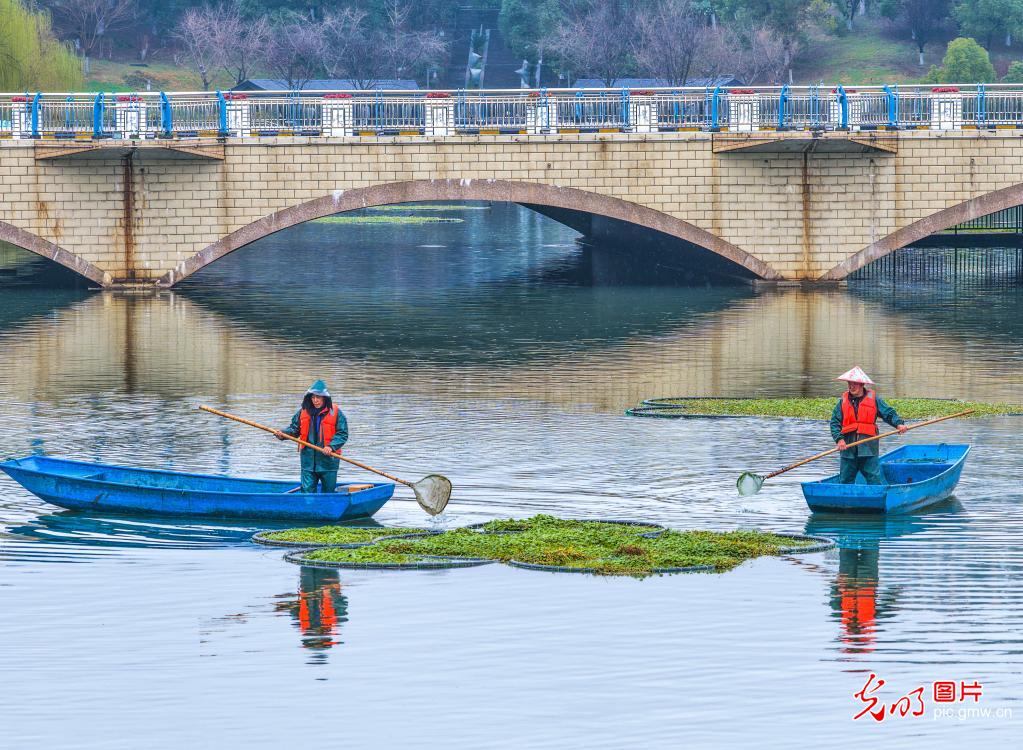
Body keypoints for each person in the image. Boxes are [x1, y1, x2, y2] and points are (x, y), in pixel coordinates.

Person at [829, 367, 908, 485]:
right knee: (845, 481)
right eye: (849, 384)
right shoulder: (842, 401)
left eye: (854, 384)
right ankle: (846, 501)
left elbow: (888, 413)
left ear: (862, 384)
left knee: (874, 480)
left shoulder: (874, 399)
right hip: (848, 450)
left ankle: (876, 500)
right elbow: (835, 422)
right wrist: (839, 439)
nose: (851, 387)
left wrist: (899, 424)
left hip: (868, 449)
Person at [274, 380, 348, 493]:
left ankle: (326, 509)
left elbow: (342, 434)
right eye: (313, 397)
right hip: (308, 462)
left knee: (328, 493)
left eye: (318, 397)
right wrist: (283, 434)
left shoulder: (336, 413)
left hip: (328, 462)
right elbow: (294, 429)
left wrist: (331, 447)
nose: (315, 400)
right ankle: (309, 509)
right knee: (307, 492)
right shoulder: (302, 412)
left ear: (325, 398)